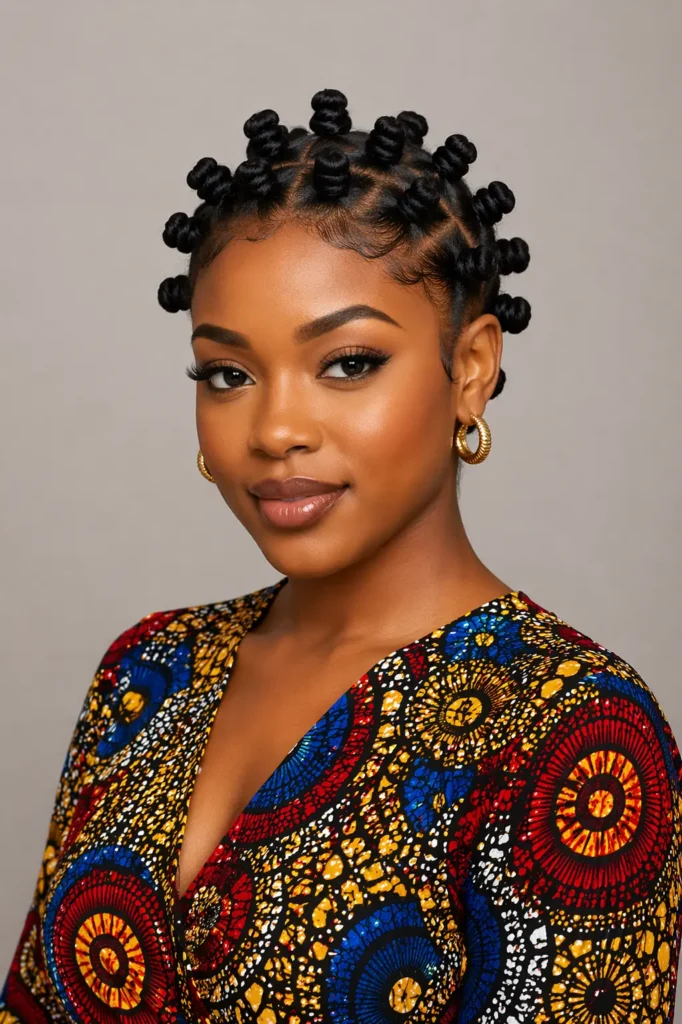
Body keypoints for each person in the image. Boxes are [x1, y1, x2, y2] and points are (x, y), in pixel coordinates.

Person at [1, 88, 680, 1024]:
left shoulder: (576, 735)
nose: (275, 429)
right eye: (228, 373)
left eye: (348, 363)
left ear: (471, 368)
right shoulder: (148, 671)